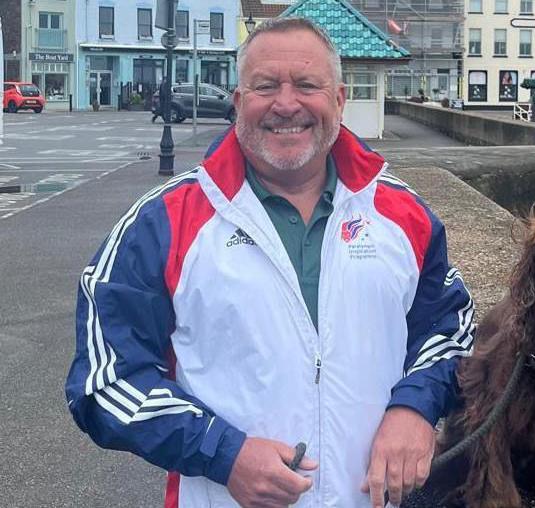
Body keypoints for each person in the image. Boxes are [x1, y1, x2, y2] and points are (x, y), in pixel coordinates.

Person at [65, 16, 474, 508]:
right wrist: (223, 453)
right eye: (265, 86)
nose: (286, 104)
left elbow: (447, 326)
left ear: (339, 100)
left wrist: (415, 407)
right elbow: (105, 380)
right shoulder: (163, 224)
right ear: (238, 102)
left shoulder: (403, 214)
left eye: (307, 85)